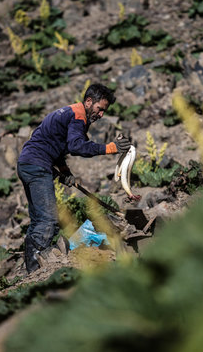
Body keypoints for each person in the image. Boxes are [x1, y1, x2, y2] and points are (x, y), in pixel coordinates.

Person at [16, 83, 131, 273]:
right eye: (99, 109)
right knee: (48, 220)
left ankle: (32, 266)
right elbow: (77, 146)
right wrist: (110, 148)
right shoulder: (78, 116)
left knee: (38, 220)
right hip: (37, 165)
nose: (101, 114)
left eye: (104, 111)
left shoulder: (67, 113)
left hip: (28, 163)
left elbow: (54, 142)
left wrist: (64, 171)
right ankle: (37, 269)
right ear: (88, 102)